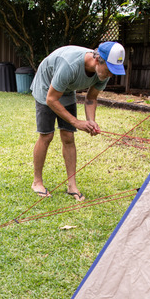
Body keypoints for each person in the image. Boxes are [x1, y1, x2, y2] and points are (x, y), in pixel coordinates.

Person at [30, 41, 126, 201]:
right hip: (47, 87)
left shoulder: (102, 73)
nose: (111, 75)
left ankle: (71, 185)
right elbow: (52, 99)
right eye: (109, 70)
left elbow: (91, 97)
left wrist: (91, 121)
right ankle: (37, 182)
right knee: (46, 136)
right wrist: (76, 122)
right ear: (97, 60)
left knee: (68, 137)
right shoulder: (70, 66)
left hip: (66, 89)